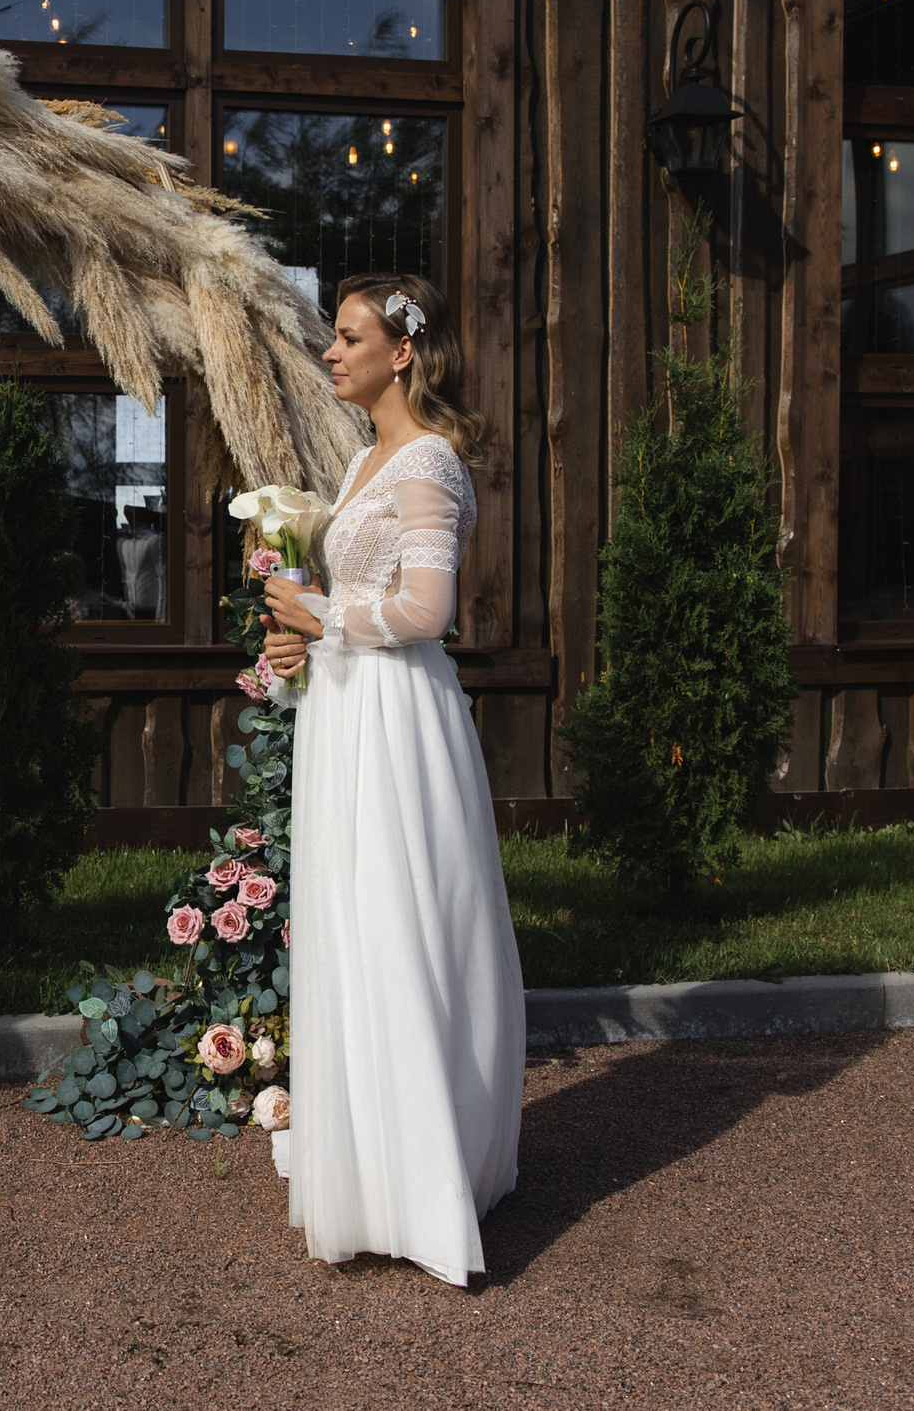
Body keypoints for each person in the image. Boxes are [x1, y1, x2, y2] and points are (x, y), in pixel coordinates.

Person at [258, 274, 526, 1285]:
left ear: (401, 352)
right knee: (350, 927)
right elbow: (357, 600)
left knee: (398, 923)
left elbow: (425, 611)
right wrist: (296, 635)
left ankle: (421, 1178)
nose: (332, 351)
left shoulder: (427, 462)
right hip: (344, 712)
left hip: (399, 720)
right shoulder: (364, 458)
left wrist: (316, 614)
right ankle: (368, 1165)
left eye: (348, 335)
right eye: (333, 337)